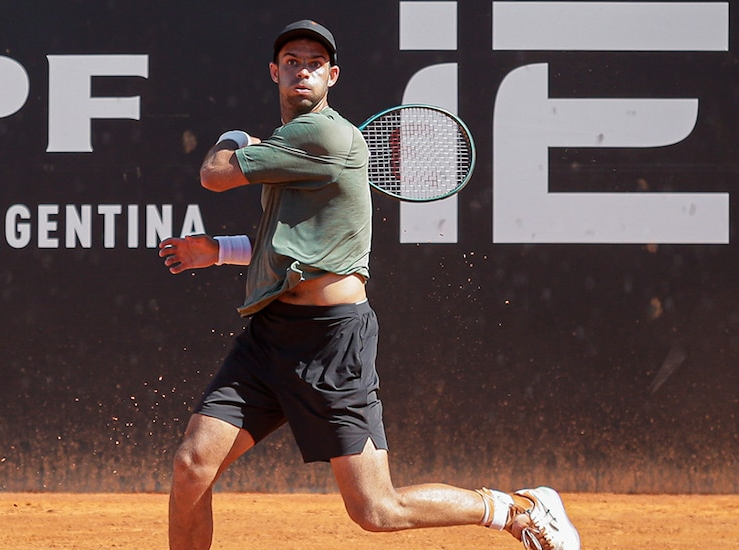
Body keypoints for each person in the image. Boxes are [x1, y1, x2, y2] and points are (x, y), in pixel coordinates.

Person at [157, 19, 580, 550]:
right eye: (292, 61)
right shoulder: (290, 149)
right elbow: (294, 248)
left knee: (377, 509)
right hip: (270, 338)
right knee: (192, 465)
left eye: (314, 63)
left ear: (332, 76)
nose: (302, 70)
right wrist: (221, 250)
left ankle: (518, 508)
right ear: (275, 72)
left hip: (333, 343)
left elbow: (215, 174)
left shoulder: (322, 134)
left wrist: (235, 138)